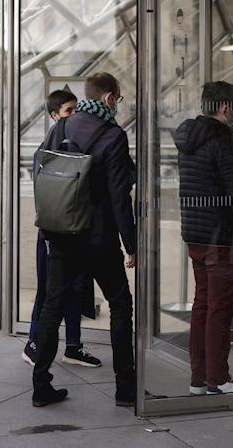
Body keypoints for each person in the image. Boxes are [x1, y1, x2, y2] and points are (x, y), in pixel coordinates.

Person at [32, 72, 137, 408]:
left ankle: (41, 385)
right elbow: (120, 197)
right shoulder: (113, 135)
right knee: (120, 305)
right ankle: (125, 387)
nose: (117, 105)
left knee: (52, 306)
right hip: (98, 237)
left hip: (62, 234)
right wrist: (131, 245)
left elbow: (43, 174)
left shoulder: (61, 127)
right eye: (117, 99)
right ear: (108, 98)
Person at [174, 81, 233, 395]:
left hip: (196, 235)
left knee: (203, 305)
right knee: (220, 310)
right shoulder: (224, 139)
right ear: (226, 106)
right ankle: (219, 378)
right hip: (224, 237)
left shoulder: (188, 138)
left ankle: (198, 378)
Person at [21, 89, 101, 368]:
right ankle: (33, 343)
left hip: (74, 229)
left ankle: (73, 346)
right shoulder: (46, 151)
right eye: (68, 111)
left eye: (76, 110)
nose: (74, 116)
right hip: (54, 231)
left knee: (75, 288)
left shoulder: (69, 145)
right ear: (54, 115)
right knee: (48, 289)